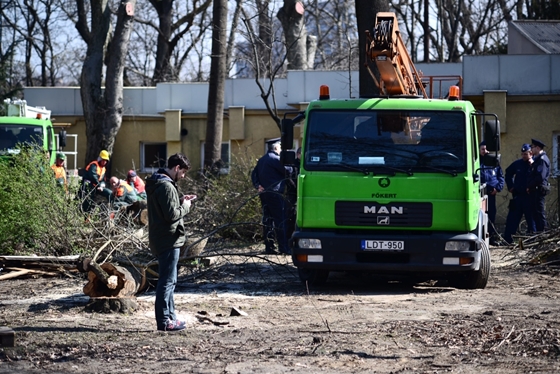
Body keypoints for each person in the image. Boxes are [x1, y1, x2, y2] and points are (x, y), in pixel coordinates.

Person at [146, 153, 194, 332]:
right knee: (167, 281)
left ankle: (171, 316)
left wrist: (180, 201)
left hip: (162, 237)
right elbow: (172, 215)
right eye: (183, 172)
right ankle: (164, 320)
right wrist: (186, 207)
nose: (183, 176)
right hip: (168, 238)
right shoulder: (166, 186)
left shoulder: (158, 183)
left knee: (170, 280)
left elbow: (166, 209)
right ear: (176, 168)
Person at [251, 138, 293, 255]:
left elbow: (253, 174)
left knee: (267, 220)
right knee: (280, 220)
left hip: (264, 193)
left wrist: (257, 185)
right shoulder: (275, 159)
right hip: (275, 193)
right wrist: (290, 163)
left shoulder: (262, 159)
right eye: (280, 147)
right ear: (275, 148)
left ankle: (269, 247)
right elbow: (287, 171)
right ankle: (283, 247)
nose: (280, 149)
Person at [503, 144, 535, 244]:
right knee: (512, 218)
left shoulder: (535, 164)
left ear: (531, 153)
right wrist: (510, 186)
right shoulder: (518, 164)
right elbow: (508, 172)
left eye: (525, 154)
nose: (523, 156)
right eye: (522, 154)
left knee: (531, 219)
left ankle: (533, 239)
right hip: (517, 196)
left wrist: (532, 165)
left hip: (529, 197)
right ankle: (508, 239)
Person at [479, 141, 504, 244]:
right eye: (483, 149)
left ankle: (492, 238)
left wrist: (498, 188)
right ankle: (481, 238)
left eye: (486, 149)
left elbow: (500, 177)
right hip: (480, 194)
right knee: (481, 216)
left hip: (491, 194)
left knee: (491, 216)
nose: (485, 151)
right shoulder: (476, 162)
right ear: (479, 150)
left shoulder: (494, 162)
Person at [527, 138, 551, 233]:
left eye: (532, 147)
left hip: (538, 190)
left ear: (537, 147)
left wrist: (530, 185)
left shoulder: (542, 160)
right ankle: (539, 234)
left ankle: (542, 234)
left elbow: (540, 177)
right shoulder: (537, 160)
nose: (531, 149)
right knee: (536, 214)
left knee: (539, 213)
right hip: (535, 190)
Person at [286, 147, 301, 239]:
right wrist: (295, 187)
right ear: (298, 154)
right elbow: (289, 178)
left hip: (302, 192)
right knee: (290, 216)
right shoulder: (293, 164)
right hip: (292, 193)